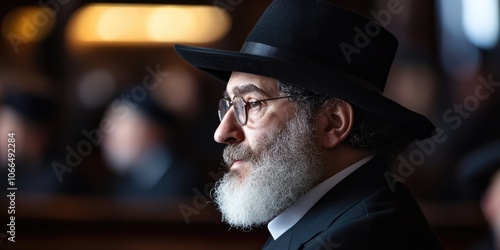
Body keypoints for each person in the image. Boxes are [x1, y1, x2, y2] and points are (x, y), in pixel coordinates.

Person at [175, 0, 443, 249]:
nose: (222, 133)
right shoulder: (331, 219)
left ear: (333, 123)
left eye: (253, 104)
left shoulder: (357, 237)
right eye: (228, 106)